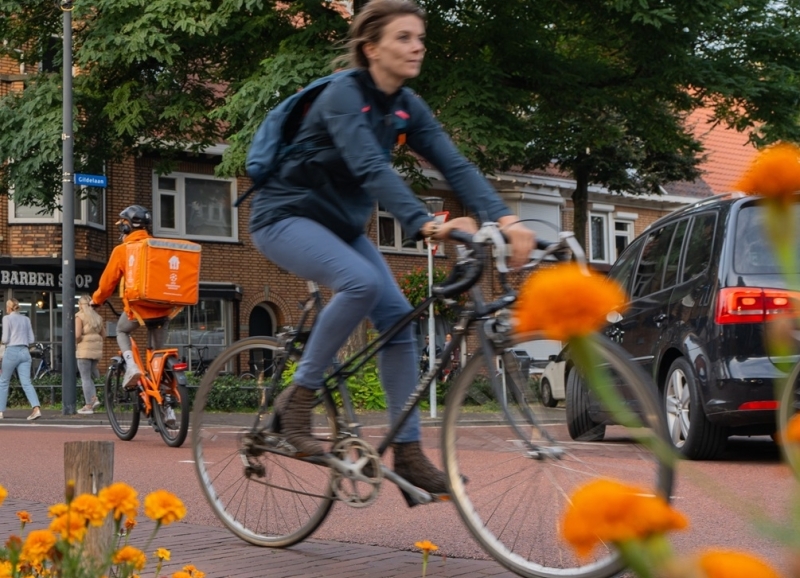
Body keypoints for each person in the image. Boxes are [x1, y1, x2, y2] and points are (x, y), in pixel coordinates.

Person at [248, 0, 535, 500]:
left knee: (399, 322)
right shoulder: (343, 95)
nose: (417, 46)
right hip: (283, 217)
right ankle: (296, 402)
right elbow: (369, 167)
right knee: (358, 283)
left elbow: (455, 165)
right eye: (403, 37)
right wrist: (422, 223)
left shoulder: (406, 105)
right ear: (371, 48)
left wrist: (506, 219)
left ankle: (408, 452)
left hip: (341, 227)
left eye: (420, 37)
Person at [92, 205, 174, 389]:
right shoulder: (159, 247)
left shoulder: (123, 250)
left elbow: (107, 284)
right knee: (158, 354)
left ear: (126, 226)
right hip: (164, 309)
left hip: (139, 309)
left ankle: (131, 366)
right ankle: (165, 398)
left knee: (121, 330)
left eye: (122, 224)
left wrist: (96, 300)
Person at [0, 298, 40, 421]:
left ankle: (0, 411)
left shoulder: (7, 318)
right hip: (25, 352)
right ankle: (36, 409)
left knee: (4, 382)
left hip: (11, 351)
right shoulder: (26, 319)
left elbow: (5, 339)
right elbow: (31, 339)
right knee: (26, 382)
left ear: (8, 308)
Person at [76, 294, 106, 414]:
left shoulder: (79, 316)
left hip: (84, 351)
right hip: (96, 352)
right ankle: (94, 399)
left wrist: (78, 342)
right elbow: (104, 335)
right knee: (89, 377)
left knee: (85, 378)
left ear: (81, 305)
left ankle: (88, 405)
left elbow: (77, 335)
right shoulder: (98, 317)